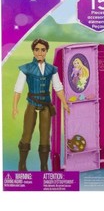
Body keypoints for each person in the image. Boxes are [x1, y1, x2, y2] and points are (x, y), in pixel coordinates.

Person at [12, 39, 70, 171]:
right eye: (37, 49)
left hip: (46, 105)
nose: (40, 52)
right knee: (27, 133)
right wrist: (15, 107)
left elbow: (58, 87)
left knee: (45, 136)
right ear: (33, 51)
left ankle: (44, 166)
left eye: (43, 50)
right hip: (32, 104)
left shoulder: (51, 69)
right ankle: (22, 164)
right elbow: (18, 89)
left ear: (46, 51)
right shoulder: (26, 68)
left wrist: (64, 103)